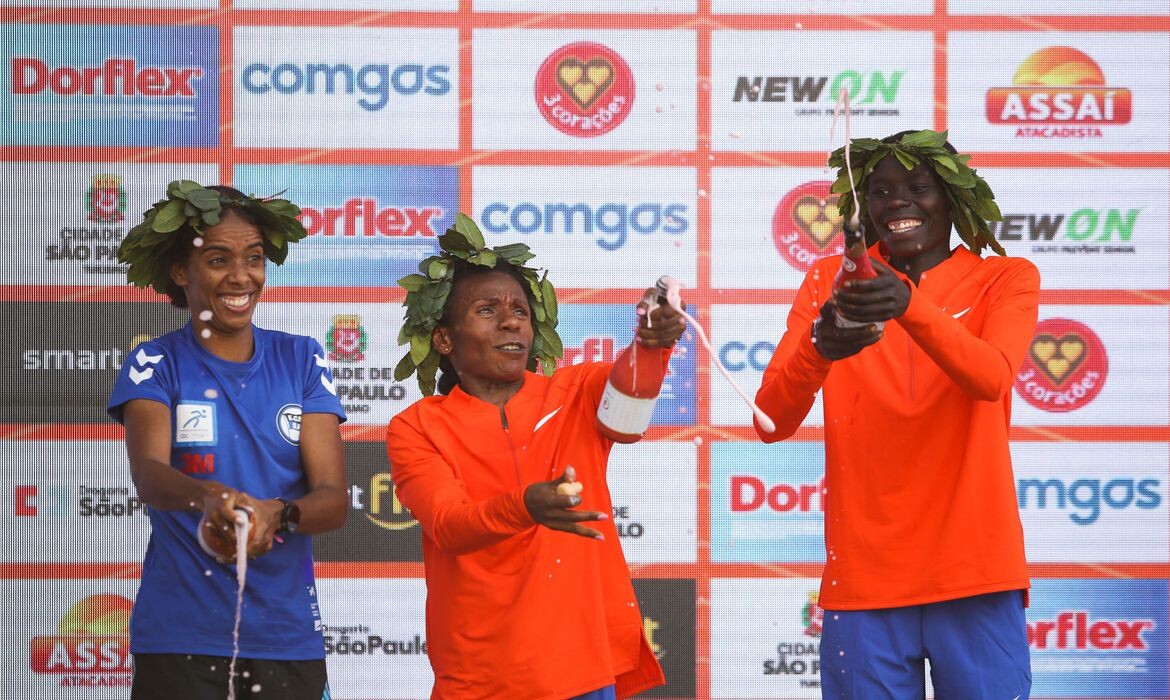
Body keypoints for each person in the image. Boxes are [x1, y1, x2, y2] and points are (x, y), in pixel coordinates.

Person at [753, 130, 1038, 699]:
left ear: (954, 198)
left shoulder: (1006, 278)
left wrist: (909, 304)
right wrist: (819, 349)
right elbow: (770, 420)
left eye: (918, 187)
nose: (897, 202)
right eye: (879, 191)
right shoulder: (828, 282)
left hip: (975, 572)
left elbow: (991, 379)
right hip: (865, 581)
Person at [386, 215, 683, 699]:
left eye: (520, 311)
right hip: (477, 680)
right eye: (487, 310)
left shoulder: (576, 390)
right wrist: (525, 506)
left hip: (581, 671)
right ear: (443, 339)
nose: (510, 321)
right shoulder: (416, 425)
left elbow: (628, 419)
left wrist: (651, 345)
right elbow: (448, 524)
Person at [108, 181, 347, 699]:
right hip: (180, 635)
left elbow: (333, 499)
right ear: (181, 271)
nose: (241, 276)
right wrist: (211, 497)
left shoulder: (302, 358)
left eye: (254, 258)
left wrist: (277, 514)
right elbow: (150, 476)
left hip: (285, 638)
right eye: (218, 259)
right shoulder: (154, 362)